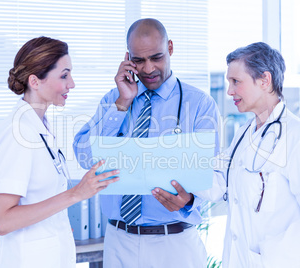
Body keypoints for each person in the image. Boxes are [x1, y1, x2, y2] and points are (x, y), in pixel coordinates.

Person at [73, 18, 220, 268]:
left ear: (170, 48)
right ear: (128, 58)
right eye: (139, 61)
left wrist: (190, 200)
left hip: (174, 244)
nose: (149, 68)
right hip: (119, 242)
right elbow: (86, 157)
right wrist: (122, 104)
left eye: (157, 57)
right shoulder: (115, 99)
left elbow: (213, 176)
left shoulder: (199, 104)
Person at [196, 42, 300, 268]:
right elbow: (219, 182)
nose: (229, 91)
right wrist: (173, 169)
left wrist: (268, 255)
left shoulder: (298, 137)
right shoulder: (244, 133)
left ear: (265, 80)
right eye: (229, 82)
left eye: (236, 81)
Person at [0, 36, 119, 268]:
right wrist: (75, 194)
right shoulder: (17, 131)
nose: (72, 84)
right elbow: (3, 221)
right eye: (64, 75)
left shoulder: (40, 127)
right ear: (35, 81)